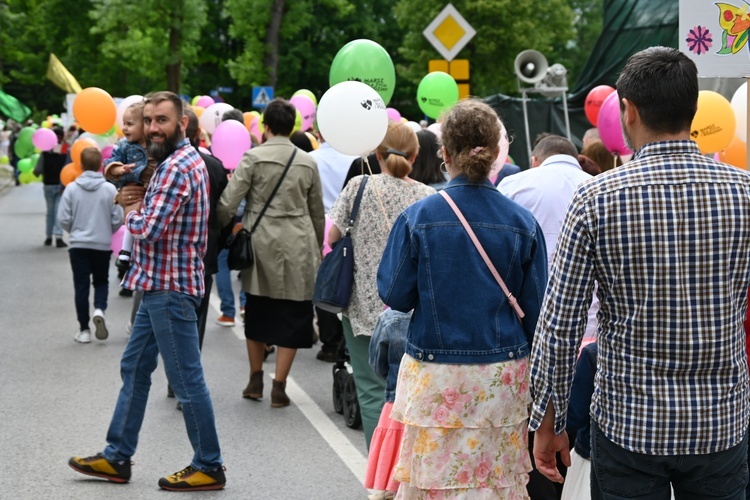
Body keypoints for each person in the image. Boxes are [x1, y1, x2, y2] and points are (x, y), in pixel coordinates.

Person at [529, 47, 750, 499]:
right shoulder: (743, 194)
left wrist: (546, 422)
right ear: (693, 109)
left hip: (629, 423)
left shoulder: (596, 199)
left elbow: (561, 324)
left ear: (627, 111)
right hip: (720, 423)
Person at [376, 99, 548, 498]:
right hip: (501, 375)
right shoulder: (522, 223)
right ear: (493, 154)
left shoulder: (418, 217)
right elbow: (537, 312)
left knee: (435, 481)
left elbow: (395, 295)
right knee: (492, 482)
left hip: (436, 371)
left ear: (445, 153)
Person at [69, 91, 225, 491]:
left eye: (162, 120)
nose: (154, 128)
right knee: (135, 368)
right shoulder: (173, 163)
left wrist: (128, 207)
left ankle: (209, 464)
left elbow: (147, 230)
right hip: (158, 284)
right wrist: (132, 196)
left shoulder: (176, 167)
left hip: (169, 288)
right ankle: (117, 455)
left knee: (187, 380)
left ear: (182, 124)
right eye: (150, 119)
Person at [328, 122, 436, 449]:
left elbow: (332, 237)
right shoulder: (428, 197)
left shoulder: (358, 186)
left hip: (361, 305)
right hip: (412, 309)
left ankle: (379, 471)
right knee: (413, 390)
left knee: (372, 389)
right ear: (416, 155)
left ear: (377, 153)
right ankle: (407, 466)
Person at [217, 98, 325, 408]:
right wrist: (316, 246)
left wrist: (217, 231)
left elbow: (228, 202)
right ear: (292, 127)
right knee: (293, 314)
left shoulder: (252, 157)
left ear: (265, 126)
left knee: (258, 309)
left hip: (260, 244)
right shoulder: (307, 161)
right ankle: (279, 385)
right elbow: (316, 211)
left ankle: (255, 377)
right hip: (298, 243)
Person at [57, 147, 122, 343]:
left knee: (81, 285)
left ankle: (84, 330)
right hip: (101, 244)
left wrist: (74, 231)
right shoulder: (110, 189)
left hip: (78, 244)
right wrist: (106, 230)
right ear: (101, 165)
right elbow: (117, 217)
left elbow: (63, 218)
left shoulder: (71, 188)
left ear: (81, 165)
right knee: (101, 281)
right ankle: (100, 309)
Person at [309, 132, 360, 362]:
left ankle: (329, 342)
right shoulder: (356, 157)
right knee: (350, 281)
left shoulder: (311, 158)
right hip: (349, 224)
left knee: (327, 280)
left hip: (321, 224)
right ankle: (345, 340)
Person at [365, 308, 410, 500]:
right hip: (434, 400)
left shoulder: (390, 317)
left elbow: (377, 364)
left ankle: (390, 489)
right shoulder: (447, 311)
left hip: (398, 397)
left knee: (396, 445)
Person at [104, 101, 152, 274]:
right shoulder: (124, 145)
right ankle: (125, 251)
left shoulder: (155, 144)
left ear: (145, 125)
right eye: (124, 123)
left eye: (130, 124)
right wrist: (119, 169)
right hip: (133, 185)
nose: (124, 128)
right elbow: (109, 164)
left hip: (151, 189)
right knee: (133, 214)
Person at [33, 126, 67, 247]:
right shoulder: (66, 151)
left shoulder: (45, 152)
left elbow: (37, 170)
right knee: (58, 211)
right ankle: (58, 237)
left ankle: (48, 237)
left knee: (50, 212)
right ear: (62, 137)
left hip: (48, 184)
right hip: (60, 185)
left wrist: (36, 173)